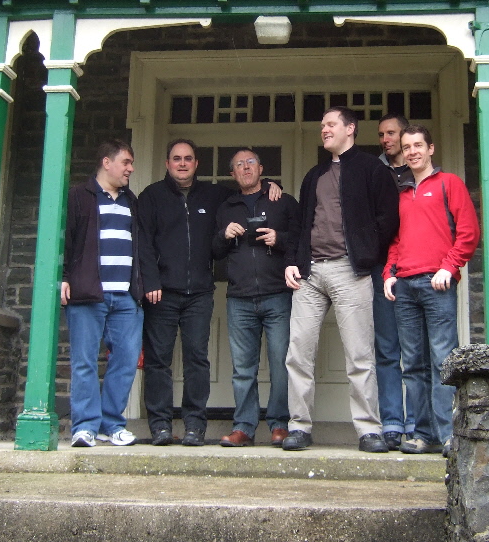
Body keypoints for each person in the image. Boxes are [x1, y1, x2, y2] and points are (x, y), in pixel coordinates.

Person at [137, 139, 280, 446]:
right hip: (161, 292)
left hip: (200, 292)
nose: (183, 163)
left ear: (196, 163)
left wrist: (268, 184)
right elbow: (143, 243)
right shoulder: (151, 196)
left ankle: (194, 426)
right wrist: (150, 282)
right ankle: (160, 426)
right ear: (167, 163)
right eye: (177, 158)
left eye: (188, 158)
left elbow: (247, 188)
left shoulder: (214, 195)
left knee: (197, 360)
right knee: (158, 361)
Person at [283, 106, 399, 453]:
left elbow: (388, 218)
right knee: (298, 353)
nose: (324, 129)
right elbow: (301, 225)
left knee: (360, 355)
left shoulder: (372, 169)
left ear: (350, 129)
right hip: (310, 274)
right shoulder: (314, 175)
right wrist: (292, 262)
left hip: (351, 270)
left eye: (331, 124)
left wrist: (365, 251)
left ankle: (369, 430)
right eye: (322, 125)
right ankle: (299, 427)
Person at [383, 124, 480, 457]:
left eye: (418, 145)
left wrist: (449, 267)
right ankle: (423, 434)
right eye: (407, 147)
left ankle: (449, 435)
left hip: (437, 284)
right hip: (405, 286)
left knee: (442, 360)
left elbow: (468, 232)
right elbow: (396, 241)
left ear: (430, 149)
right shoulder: (400, 195)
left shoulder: (449, 184)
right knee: (412, 364)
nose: (412, 152)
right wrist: (389, 273)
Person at [211, 148, 300, 448]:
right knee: (243, 369)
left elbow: (302, 240)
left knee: (281, 364)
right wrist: (223, 235)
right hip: (240, 298)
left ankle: (280, 425)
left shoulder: (282, 201)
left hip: (277, 295)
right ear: (232, 173)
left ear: (261, 169)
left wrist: (280, 238)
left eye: (251, 162)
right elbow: (214, 252)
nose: (246, 168)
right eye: (239, 164)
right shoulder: (225, 207)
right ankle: (244, 428)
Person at [61, 139, 144, 448]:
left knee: (126, 360)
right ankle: (85, 427)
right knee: (83, 361)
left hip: (126, 296)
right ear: (107, 163)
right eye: (126, 162)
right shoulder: (78, 196)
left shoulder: (131, 201)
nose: (130, 168)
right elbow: (65, 240)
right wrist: (63, 277)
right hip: (87, 292)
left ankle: (112, 424)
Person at [373, 113, 412, 449]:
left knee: (416, 351)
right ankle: (392, 423)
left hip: (416, 265)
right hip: (380, 265)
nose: (386, 139)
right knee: (386, 348)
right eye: (382, 134)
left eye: (391, 133)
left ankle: (417, 423)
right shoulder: (373, 171)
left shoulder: (422, 171)